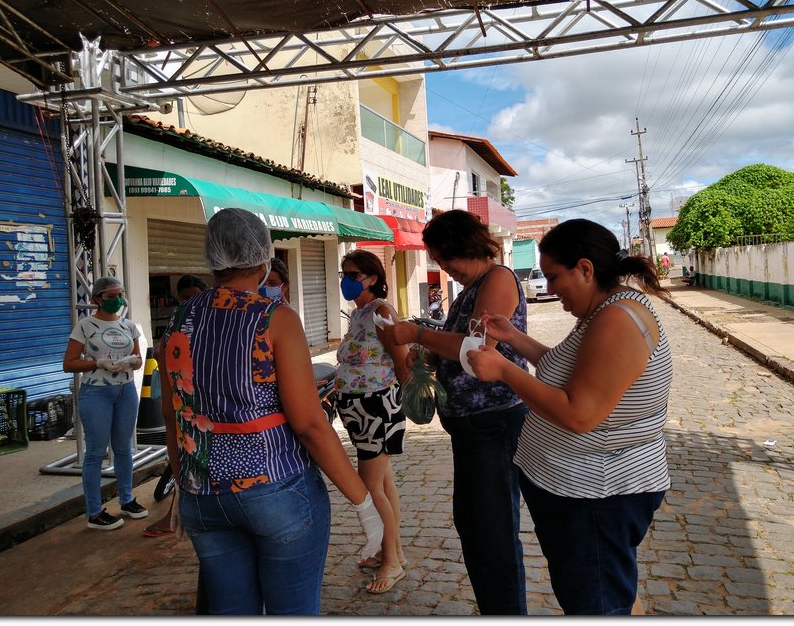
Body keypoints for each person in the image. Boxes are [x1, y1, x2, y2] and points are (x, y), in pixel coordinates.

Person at [157, 208, 383, 615]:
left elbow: (174, 415)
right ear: (263, 259)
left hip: (203, 496)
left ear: (212, 257)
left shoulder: (177, 319)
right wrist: (364, 504)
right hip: (275, 489)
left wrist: (181, 481)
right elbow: (311, 424)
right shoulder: (275, 318)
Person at [467, 218, 672, 615]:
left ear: (585, 268)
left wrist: (504, 370)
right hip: (580, 490)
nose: (549, 288)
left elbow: (580, 414)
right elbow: (568, 373)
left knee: (596, 605)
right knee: (610, 595)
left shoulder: (617, 319)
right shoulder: (603, 312)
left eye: (554, 276)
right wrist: (514, 339)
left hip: (598, 494)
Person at [381, 209, 530, 615]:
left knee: (491, 530)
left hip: (493, 422)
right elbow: (453, 343)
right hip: (470, 427)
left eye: (449, 260)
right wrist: (424, 360)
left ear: (468, 247)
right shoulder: (471, 287)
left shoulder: (497, 278)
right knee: (474, 524)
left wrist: (417, 333)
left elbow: (476, 346)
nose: (446, 269)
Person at [334, 249, 409, 594]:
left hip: (376, 408)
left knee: (371, 486)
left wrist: (410, 397)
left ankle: (392, 562)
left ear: (372, 278)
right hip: (360, 410)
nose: (346, 280)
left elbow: (401, 360)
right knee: (383, 484)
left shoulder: (381, 312)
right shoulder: (359, 313)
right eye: (343, 274)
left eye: (352, 274)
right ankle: (391, 551)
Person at [62, 276, 147, 530]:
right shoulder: (85, 326)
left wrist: (131, 362)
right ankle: (94, 511)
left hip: (125, 390)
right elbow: (69, 363)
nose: (117, 300)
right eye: (111, 296)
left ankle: (127, 499)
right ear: (97, 299)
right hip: (96, 393)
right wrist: (97, 363)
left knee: (123, 448)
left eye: (120, 294)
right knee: (96, 452)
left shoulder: (129, 326)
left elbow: (138, 359)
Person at [143, 275, 208, 538]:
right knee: (183, 459)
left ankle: (183, 514)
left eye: (195, 295)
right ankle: (176, 514)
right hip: (185, 407)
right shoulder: (176, 323)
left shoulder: (214, 322)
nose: (190, 301)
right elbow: (161, 355)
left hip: (206, 408)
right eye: (184, 297)